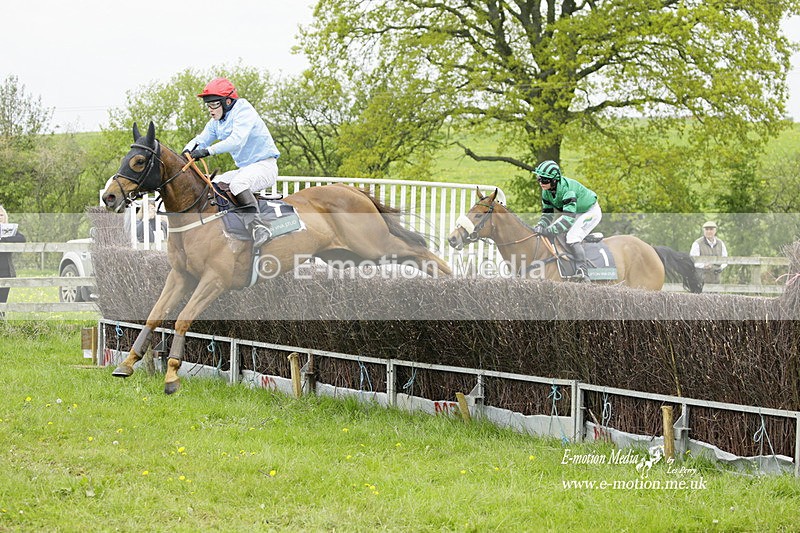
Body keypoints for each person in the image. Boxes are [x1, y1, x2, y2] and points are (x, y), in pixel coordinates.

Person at [183, 77, 280, 248]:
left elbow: (237, 141)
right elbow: (201, 140)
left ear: (227, 102)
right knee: (213, 184)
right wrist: (185, 152)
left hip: (265, 166)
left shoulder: (244, 110)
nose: (210, 110)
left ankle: (259, 228)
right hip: (246, 168)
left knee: (238, 184)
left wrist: (207, 151)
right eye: (208, 105)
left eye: (214, 104)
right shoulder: (216, 122)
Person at [531, 160, 602, 279]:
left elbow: (568, 219)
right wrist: (541, 226)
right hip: (573, 211)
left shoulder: (567, 190)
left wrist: (549, 231)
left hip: (590, 212)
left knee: (572, 237)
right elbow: (548, 214)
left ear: (554, 180)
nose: (541, 183)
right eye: (539, 178)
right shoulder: (546, 192)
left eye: (544, 180)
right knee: (550, 230)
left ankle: (582, 272)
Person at [0, 205, 26, 319]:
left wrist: (4, 240)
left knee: (2, 302)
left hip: (6, 271)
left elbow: (22, 239)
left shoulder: (10, 230)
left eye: (1, 215)